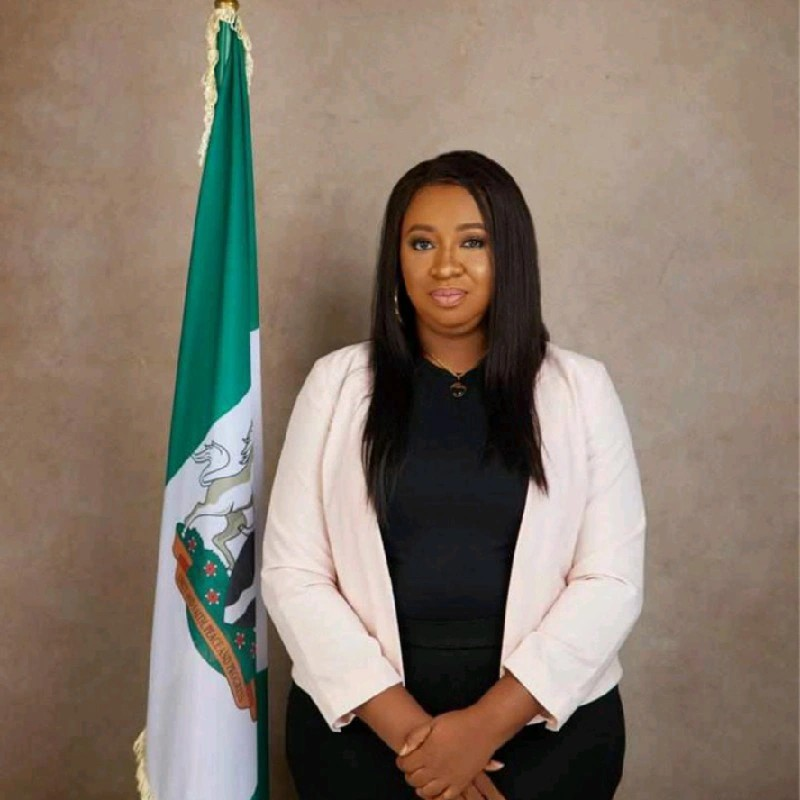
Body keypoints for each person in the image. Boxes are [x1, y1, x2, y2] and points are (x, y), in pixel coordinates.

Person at [260, 150, 647, 799]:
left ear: (511, 256)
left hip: (549, 734)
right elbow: (292, 573)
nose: (445, 265)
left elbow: (610, 581)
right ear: (396, 258)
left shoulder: (581, 389)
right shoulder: (336, 385)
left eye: (473, 242)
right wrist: (422, 742)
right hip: (362, 736)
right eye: (421, 243)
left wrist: (481, 731)